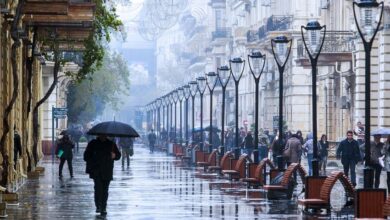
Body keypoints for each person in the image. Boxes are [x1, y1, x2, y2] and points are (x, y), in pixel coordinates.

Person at [84, 135, 121, 216]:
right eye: (101, 134)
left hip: (107, 170)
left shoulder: (111, 144)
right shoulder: (92, 143)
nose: (102, 136)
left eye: (104, 134)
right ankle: (98, 206)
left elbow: (118, 155)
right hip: (96, 171)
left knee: (105, 190)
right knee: (98, 188)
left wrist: (114, 156)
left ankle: (103, 207)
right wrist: (93, 159)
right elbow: (86, 156)